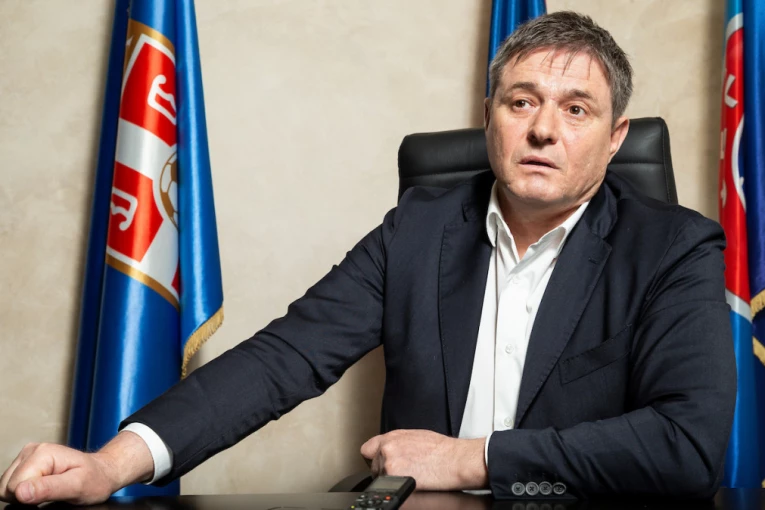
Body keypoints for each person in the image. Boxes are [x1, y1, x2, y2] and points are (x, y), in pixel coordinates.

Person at [0, 11, 735, 505]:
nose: (544, 129)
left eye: (576, 109)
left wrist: (473, 458)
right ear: (488, 117)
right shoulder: (418, 229)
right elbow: (282, 359)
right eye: (520, 102)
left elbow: (688, 444)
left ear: (615, 138)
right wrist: (111, 464)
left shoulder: (675, 249)